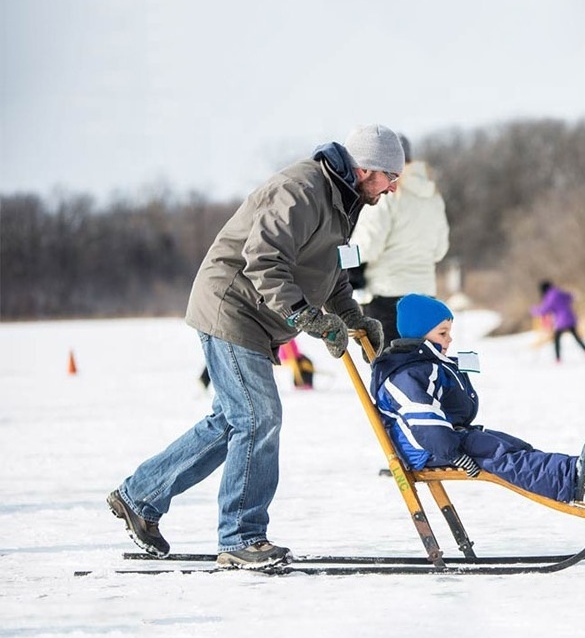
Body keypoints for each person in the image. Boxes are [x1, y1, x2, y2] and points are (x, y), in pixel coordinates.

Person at [107, 124, 405, 568]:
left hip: (258, 318)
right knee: (258, 417)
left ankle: (140, 496)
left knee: (232, 421)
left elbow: (332, 271)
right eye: (389, 177)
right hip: (231, 307)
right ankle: (241, 537)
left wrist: (353, 316)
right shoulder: (300, 190)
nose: (394, 187)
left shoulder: (346, 200)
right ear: (364, 169)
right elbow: (263, 262)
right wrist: (308, 318)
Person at [369, 294, 585, 503]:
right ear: (420, 335)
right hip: (428, 449)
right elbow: (424, 421)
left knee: (511, 445)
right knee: (498, 454)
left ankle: (576, 473)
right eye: (443, 333)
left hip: (445, 440)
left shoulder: (425, 365)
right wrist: (454, 454)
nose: (449, 339)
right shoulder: (405, 374)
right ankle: (571, 480)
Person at [348, 134, 449, 345]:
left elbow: (367, 245)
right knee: (421, 367)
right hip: (425, 296)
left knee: (388, 367)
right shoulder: (433, 195)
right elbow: (440, 250)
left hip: (387, 295)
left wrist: (344, 260)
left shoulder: (387, 193)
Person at [530, 281, 585, 363]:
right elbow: (571, 296)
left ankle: (558, 359)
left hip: (561, 321)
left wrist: (534, 310)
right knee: (576, 337)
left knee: (557, 339)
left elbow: (545, 309)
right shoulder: (560, 292)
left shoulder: (550, 296)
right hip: (571, 317)